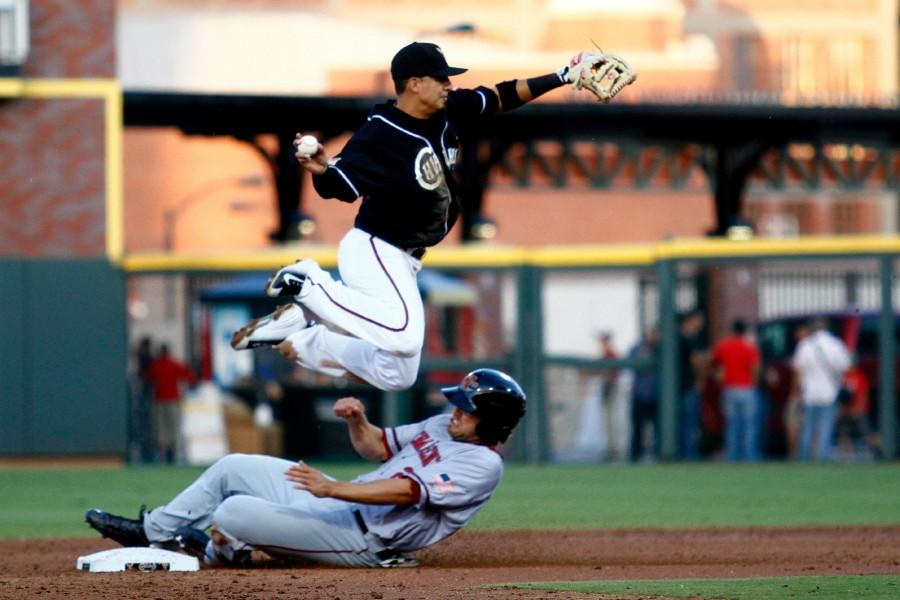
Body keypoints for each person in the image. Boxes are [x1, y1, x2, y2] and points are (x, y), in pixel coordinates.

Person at [230, 42, 620, 392]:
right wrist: (322, 167)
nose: (449, 85)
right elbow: (342, 186)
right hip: (376, 249)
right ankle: (308, 282)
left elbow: (500, 96)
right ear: (414, 83)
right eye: (441, 79)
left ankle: (303, 339)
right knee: (402, 336)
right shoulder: (380, 132)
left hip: (406, 259)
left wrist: (564, 75)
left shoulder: (449, 111)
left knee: (398, 374)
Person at [84, 368, 526, 568]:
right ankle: (155, 531)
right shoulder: (442, 426)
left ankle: (221, 551)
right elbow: (378, 448)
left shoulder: (483, 465)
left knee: (232, 512)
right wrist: (359, 421)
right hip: (338, 504)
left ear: (492, 420)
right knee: (232, 467)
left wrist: (330, 489)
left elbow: (405, 492)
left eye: (466, 409)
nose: (455, 412)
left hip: (361, 541)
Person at [791, 318, 851, 462]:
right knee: (825, 427)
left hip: (810, 392)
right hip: (829, 392)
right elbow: (846, 366)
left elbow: (798, 371)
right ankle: (822, 458)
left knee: (808, 427)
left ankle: (804, 458)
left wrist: (797, 393)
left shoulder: (804, 345)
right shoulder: (836, 344)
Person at [711, 318, 761, 461]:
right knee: (749, 424)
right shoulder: (749, 347)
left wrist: (718, 375)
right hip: (746, 388)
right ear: (744, 331)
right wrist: (754, 383)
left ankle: (732, 455)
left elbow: (713, 363)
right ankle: (749, 455)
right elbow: (755, 368)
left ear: (733, 330)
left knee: (731, 424)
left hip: (729, 388)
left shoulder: (723, 346)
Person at [145, 344, 197, 464]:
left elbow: (146, 379)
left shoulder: (155, 365)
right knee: (174, 427)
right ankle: (173, 451)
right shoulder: (174, 364)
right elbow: (190, 376)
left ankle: (163, 451)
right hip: (173, 400)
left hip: (159, 400)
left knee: (160, 428)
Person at [677, 310, 708, 460]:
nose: (701, 324)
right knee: (689, 423)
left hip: (677, 387)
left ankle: (682, 453)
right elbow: (696, 361)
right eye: (699, 320)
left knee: (682, 422)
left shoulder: (675, 337)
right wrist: (700, 379)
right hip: (688, 385)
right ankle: (688, 455)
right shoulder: (690, 338)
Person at [628, 326, 660, 462]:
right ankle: (635, 457)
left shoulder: (661, 348)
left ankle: (659, 455)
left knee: (658, 428)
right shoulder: (637, 348)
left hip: (656, 396)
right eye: (651, 333)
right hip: (639, 394)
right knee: (637, 428)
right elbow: (631, 363)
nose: (653, 336)